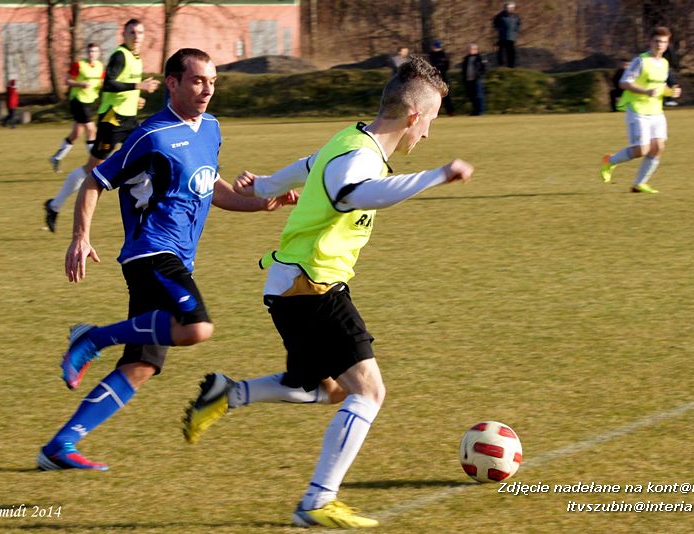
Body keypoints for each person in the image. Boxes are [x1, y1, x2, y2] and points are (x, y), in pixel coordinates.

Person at [181, 56, 474, 528]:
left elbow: (307, 166)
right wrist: (437, 174)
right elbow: (353, 194)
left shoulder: (351, 140)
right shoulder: (360, 156)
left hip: (297, 284)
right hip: (309, 285)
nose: (428, 135)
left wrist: (267, 186)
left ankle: (229, 394)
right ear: (414, 116)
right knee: (369, 391)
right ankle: (318, 500)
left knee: (326, 388)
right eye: (432, 122)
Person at [35, 48, 296, 472]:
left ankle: (60, 445)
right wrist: (80, 237)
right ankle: (93, 338)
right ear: (172, 83)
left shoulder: (210, 128)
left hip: (177, 259)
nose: (207, 89)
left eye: (212, 81)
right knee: (196, 327)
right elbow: (94, 181)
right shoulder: (149, 136)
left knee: (142, 365)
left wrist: (265, 203)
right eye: (197, 80)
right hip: (151, 253)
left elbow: (213, 189)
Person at [44, 19, 160, 233]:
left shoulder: (136, 58)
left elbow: (121, 90)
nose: (137, 36)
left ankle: (144, 214)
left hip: (129, 120)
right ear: (123, 34)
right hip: (112, 120)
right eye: (132, 32)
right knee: (92, 168)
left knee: (147, 159)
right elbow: (110, 83)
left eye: (140, 32)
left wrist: (136, 98)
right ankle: (54, 206)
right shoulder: (119, 55)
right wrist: (138, 86)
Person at [600, 26, 681, 194]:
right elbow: (624, 82)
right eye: (657, 41)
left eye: (664, 42)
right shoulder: (640, 61)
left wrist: (672, 91)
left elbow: (661, 86)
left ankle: (639, 184)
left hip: (656, 112)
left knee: (658, 147)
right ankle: (609, 161)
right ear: (650, 42)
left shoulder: (665, 63)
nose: (660, 45)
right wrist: (646, 91)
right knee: (641, 150)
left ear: (667, 44)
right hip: (638, 110)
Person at [48, 43, 104, 172]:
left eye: (95, 51)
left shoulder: (100, 66)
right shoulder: (79, 65)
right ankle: (94, 163)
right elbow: (67, 81)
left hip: (90, 101)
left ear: (98, 53)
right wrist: (80, 84)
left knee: (76, 133)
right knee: (91, 130)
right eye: (90, 51)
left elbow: (101, 82)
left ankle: (56, 157)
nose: (92, 54)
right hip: (78, 100)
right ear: (87, 53)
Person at [428, 40, 454, 116]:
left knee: (446, 95)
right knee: (434, 96)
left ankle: (450, 111)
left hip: (442, 77)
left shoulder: (443, 55)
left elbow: (446, 66)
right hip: (434, 77)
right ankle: (435, 112)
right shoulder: (431, 55)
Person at [462, 43, 488, 116]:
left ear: (476, 50)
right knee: (472, 96)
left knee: (479, 96)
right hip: (468, 80)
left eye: (472, 49)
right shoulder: (466, 58)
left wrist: (480, 75)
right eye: (469, 49)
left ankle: (481, 111)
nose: (470, 50)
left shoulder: (480, 58)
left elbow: (484, 68)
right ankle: (474, 111)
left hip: (477, 80)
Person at [493, 2, 521, 68]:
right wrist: (499, 29)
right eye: (509, 8)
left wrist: (516, 31)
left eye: (512, 8)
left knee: (511, 52)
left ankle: (511, 66)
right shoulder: (500, 15)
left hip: (512, 38)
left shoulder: (516, 16)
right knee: (501, 52)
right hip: (502, 37)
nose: (510, 9)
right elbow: (495, 23)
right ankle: (501, 65)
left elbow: (518, 24)